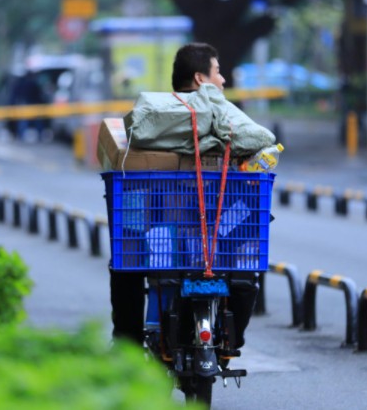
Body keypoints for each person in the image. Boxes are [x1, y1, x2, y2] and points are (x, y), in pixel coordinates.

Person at [110, 42, 265, 351]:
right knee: (244, 270)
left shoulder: (153, 113)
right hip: (213, 234)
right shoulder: (218, 109)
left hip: (160, 227)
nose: (223, 80)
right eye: (218, 72)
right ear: (200, 79)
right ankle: (231, 339)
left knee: (125, 263)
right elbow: (262, 137)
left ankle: (126, 344)